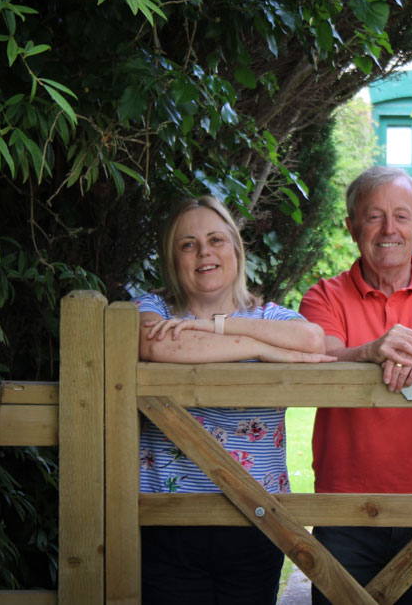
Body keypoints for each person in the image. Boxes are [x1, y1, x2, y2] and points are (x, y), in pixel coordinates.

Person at [134, 195, 334, 605]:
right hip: (168, 517)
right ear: (173, 260)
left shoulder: (272, 316)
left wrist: (218, 327)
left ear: (236, 250)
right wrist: (261, 350)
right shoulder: (152, 308)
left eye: (215, 239)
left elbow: (312, 339)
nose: (204, 251)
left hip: (257, 514)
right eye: (188, 244)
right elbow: (157, 347)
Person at [298, 166, 412, 604]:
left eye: (401, 216)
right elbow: (321, 355)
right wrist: (368, 351)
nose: (388, 229)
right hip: (343, 501)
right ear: (351, 227)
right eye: (373, 216)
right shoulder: (323, 295)